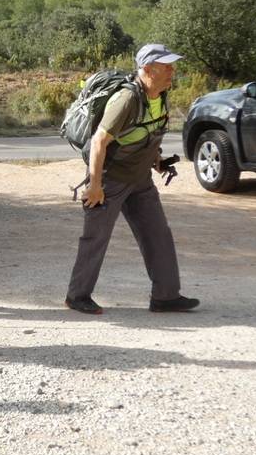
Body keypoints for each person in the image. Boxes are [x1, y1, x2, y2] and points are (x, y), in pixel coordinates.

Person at [65, 43, 199, 315]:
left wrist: (158, 161)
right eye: (167, 66)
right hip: (110, 179)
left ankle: (165, 296)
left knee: (157, 234)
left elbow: (147, 132)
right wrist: (94, 185)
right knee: (96, 237)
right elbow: (100, 141)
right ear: (148, 69)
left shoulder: (160, 95)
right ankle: (77, 296)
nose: (173, 71)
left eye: (172, 65)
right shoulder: (126, 99)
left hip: (140, 179)